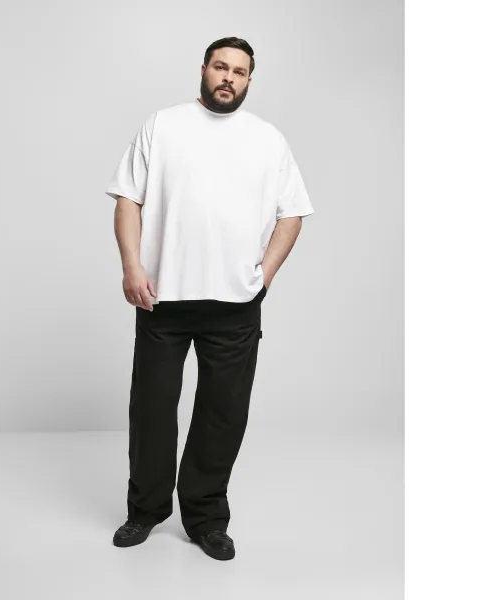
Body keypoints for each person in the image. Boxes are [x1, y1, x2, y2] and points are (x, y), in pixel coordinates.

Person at [105, 37, 314, 560]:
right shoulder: (163, 125)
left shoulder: (268, 139)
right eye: (221, 67)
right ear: (203, 69)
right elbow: (128, 199)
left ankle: (205, 518)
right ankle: (145, 510)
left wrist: (264, 276)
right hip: (163, 296)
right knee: (151, 411)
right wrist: (131, 266)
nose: (228, 78)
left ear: (249, 80)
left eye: (239, 72)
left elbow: (292, 214)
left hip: (235, 303)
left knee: (223, 414)